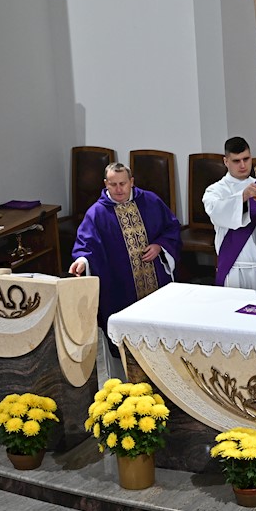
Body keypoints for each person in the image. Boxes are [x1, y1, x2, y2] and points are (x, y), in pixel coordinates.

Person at [69, 162, 181, 379]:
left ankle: (168, 379)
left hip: (155, 285)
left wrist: (160, 246)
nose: (119, 189)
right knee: (123, 343)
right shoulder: (97, 213)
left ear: (131, 182)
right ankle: (124, 384)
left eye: (123, 183)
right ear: (105, 184)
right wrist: (82, 261)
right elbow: (86, 245)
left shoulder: (150, 201)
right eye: (113, 184)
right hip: (121, 289)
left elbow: (172, 227)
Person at [202, 137, 256, 290]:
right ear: (226, 161)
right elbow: (218, 214)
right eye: (236, 161)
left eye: (246, 159)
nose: (242, 165)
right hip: (235, 266)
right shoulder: (215, 191)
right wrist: (243, 197)